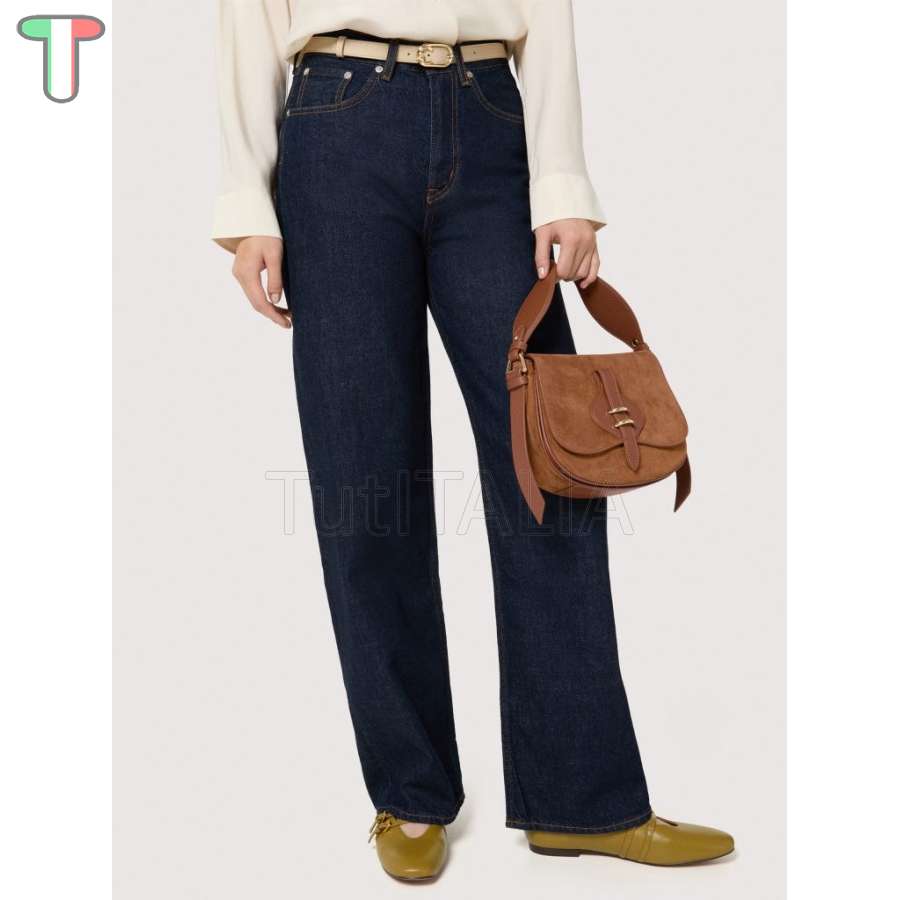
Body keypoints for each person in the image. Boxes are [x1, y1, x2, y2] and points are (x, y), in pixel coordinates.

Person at [213, 1, 734, 882]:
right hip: (336, 127)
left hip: (490, 115)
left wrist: (562, 183)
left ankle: (583, 800)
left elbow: (549, 15)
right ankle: (409, 794)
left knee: (551, 464)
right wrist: (247, 201)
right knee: (365, 476)